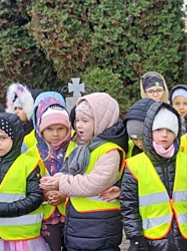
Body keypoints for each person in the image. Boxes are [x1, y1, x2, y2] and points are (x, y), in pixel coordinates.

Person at [39, 93, 128, 251]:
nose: (78, 125)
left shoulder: (109, 150)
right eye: (77, 120)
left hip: (100, 226)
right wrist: (55, 182)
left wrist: (60, 182)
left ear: (101, 121)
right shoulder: (83, 146)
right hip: (80, 222)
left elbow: (93, 183)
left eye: (85, 121)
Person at [121, 101, 187, 251]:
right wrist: (136, 238)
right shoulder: (134, 165)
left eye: (169, 129)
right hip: (150, 241)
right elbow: (129, 206)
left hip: (184, 238)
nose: (164, 134)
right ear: (149, 131)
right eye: (159, 129)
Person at [0, 113, 48, 251]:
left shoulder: (29, 164)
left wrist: (3, 209)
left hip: (24, 239)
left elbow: (35, 197)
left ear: (15, 138)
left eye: (2, 138)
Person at [27, 93, 76, 251]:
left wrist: (65, 194)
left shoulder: (75, 149)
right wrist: (45, 195)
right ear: (41, 129)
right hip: (46, 215)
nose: (55, 134)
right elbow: (26, 184)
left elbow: (83, 179)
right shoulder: (31, 153)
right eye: (49, 129)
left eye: (61, 129)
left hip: (72, 211)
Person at [6, 83, 36, 149]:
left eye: (20, 108)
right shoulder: (12, 130)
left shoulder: (34, 132)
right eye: (15, 108)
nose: (16, 112)